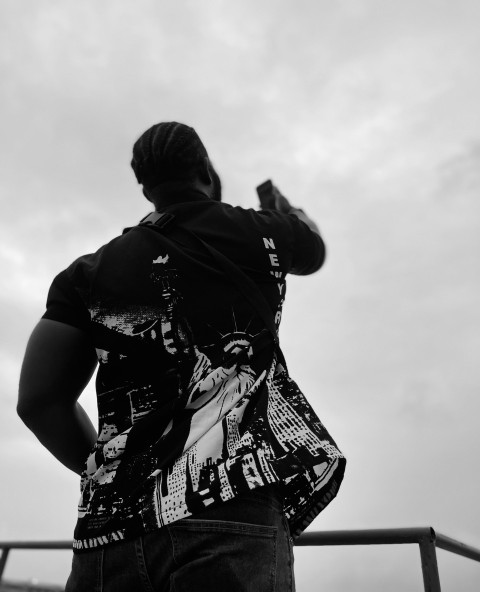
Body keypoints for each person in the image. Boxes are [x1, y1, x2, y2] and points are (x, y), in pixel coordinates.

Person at [17, 122, 346, 592]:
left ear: (146, 188)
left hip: (112, 532)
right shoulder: (259, 235)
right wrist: (283, 208)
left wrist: (113, 475)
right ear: (205, 169)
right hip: (231, 509)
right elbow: (312, 249)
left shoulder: (87, 274)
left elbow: (39, 401)